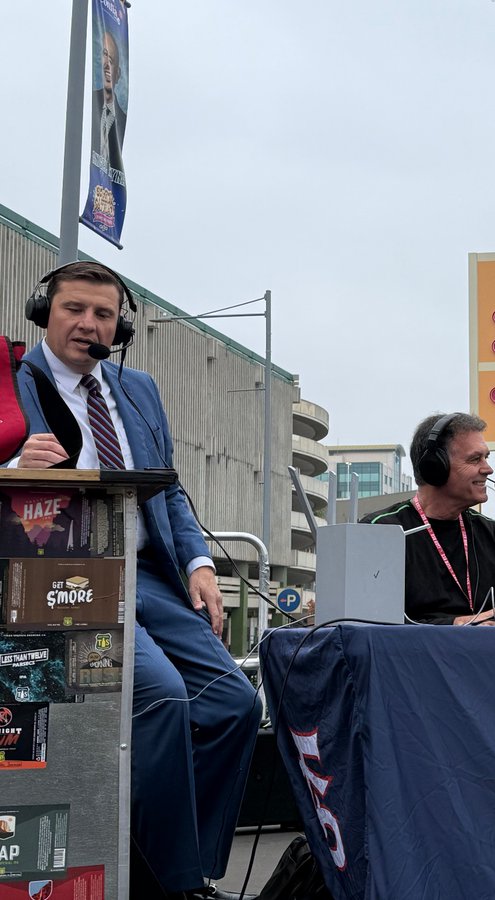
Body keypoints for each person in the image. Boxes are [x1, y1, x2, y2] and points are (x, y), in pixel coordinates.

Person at [10, 262, 259, 900]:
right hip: (65, 572)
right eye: (74, 309)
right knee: (164, 697)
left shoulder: (138, 388)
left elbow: (169, 490)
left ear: (119, 325)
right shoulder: (13, 384)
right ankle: (171, 885)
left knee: (235, 704)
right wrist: (12, 463)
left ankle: (185, 865)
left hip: (149, 571)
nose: (88, 324)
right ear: (44, 311)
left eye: (102, 314)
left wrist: (200, 563)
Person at [367, 412, 495, 624]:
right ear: (435, 467)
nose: (488, 469)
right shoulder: (379, 532)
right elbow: (371, 625)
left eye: (486, 457)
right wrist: (457, 625)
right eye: (474, 459)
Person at [91, 29, 127, 175]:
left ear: (117, 74)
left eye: (111, 61)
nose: (106, 65)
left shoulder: (121, 117)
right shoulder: (93, 103)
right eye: (105, 55)